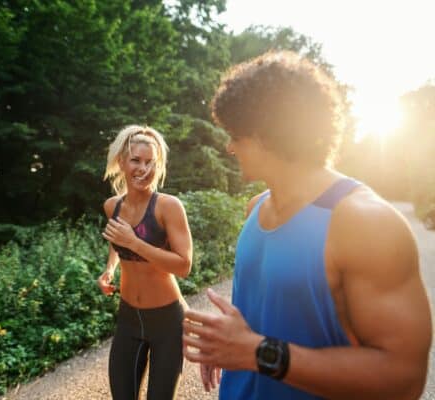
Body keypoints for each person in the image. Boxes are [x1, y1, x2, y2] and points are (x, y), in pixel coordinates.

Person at [182, 51, 432, 400]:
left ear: (265, 135)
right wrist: (226, 344)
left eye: (235, 136)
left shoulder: (365, 222)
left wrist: (255, 352)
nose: (229, 148)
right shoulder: (255, 208)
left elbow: (403, 379)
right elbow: (273, 315)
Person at [98, 125, 192, 399]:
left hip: (167, 321)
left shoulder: (168, 207)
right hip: (128, 319)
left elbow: (184, 265)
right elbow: (117, 242)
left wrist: (135, 242)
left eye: (151, 162)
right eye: (136, 160)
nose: (144, 168)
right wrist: (109, 269)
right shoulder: (112, 206)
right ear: (121, 163)